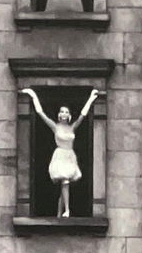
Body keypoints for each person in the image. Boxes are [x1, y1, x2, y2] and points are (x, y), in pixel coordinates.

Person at [22, 87, 101, 218]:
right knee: (65, 183)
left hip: (69, 156)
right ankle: (67, 210)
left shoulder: (72, 127)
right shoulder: (55, 126)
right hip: (60, 156)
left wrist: (91, 98)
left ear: (69, 116)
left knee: (64, 185)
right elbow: (41, 113)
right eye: (62, 111)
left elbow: (83, 115)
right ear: (59, 114)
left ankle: (60, 213)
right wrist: (33, 95)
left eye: (66, 112)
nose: (63, 114)